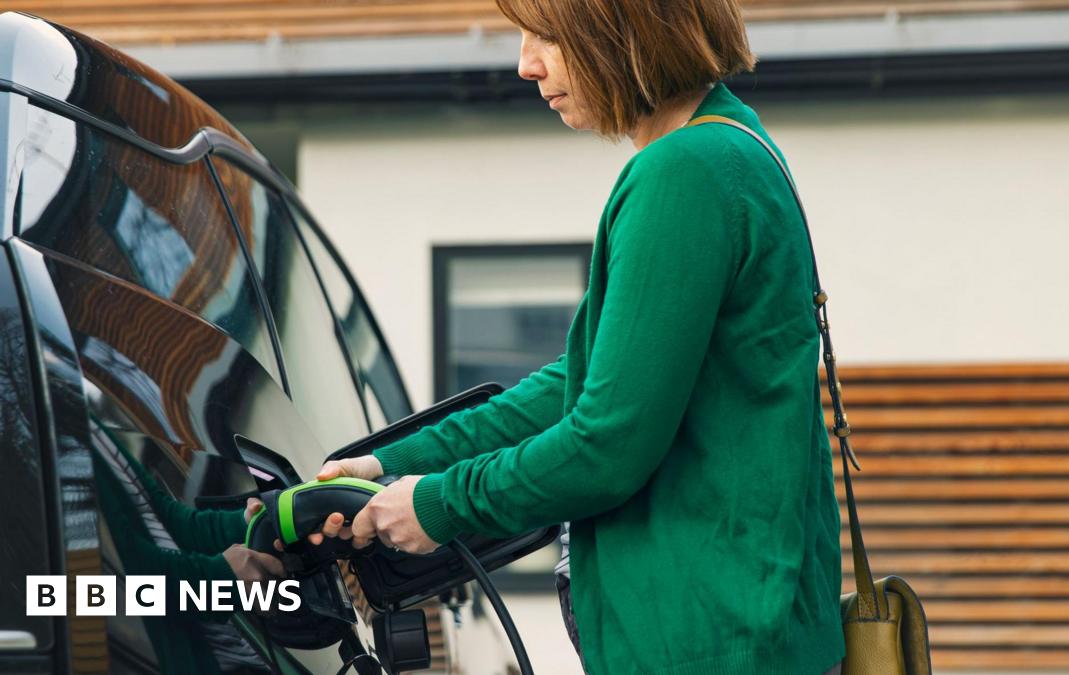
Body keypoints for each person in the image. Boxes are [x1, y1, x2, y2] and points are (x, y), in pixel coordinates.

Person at [308, 1, 846, 672]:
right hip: (749, 628)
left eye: (548, 37)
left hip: (710, 644)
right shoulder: (736, 146)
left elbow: (607, 445)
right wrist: (390, 462)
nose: (525, 65)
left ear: (625, 27)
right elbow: (580, 383)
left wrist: (440, 503)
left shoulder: (684, 173)